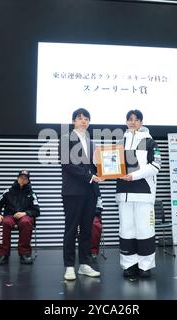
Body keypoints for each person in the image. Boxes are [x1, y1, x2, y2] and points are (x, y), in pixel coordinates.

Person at [116, 110, 161, 279]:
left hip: (144, 194)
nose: (133, 122)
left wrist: (134, 176)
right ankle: (129, 265)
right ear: (126, 122)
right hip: (123, 195)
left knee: (145, 230)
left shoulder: (150, 142)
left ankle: (145, 266)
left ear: (141, 122)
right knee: (126, 230)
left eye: (136, 119)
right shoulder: (120, 142)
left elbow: (155, 166)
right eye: (130, 119)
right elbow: (111, 164)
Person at [58, 108, 102, 280]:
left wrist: (103, 171)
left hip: (90, 192)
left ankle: (84, 264)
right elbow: (67, 164)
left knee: (86, 230)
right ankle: (69, 266)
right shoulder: (65, 139)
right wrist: (91, 176)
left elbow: (95, 166)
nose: (83, 121)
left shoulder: (92, 143)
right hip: (73, 192)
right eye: (80, 118)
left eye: (86, 119)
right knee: (70, 229)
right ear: (74, 121)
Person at [0, 170, 40, 265]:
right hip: (10, 216)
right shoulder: (8, 191)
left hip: (24, 216)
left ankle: (25, 254)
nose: (23, 179)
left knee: (25, 222)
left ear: (28, 181)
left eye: (25, 178)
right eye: (21, 177)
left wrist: (25, 213)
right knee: (4, 223)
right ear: (17, 178)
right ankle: (3, 255)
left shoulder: (32, 194)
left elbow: (37, 210)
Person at [91, 184, 103, 259]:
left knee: (95, 224)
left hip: (92, 213)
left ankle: (93, 251)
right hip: (78, 214)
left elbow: (99, 207)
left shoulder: (94, 185)